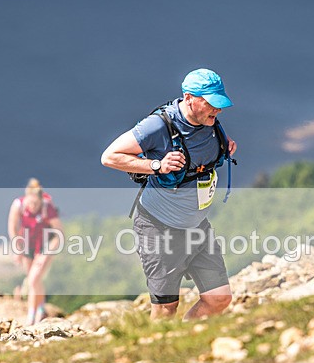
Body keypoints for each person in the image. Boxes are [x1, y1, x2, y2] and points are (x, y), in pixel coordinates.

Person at [101, 68, 238, 320]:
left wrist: (224, 146)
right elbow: (109, 156)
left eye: (220, 104)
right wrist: (156, 166)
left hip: (197, 227)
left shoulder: (209, 121)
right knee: (166, 309)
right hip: (158, 227)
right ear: (189, 98)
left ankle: (183, 340)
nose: (217, 110)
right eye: (211, 104)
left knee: (219, 298)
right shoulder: (158, 126)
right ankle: (155, 355)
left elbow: (204, 147)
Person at [7, 178, 63, 324]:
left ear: (40, 200)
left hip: (45, 244)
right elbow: (12, 228)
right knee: (35, 281)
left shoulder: (47, 207)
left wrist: (48, 252)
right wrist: (17, 248)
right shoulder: (18, 205)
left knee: (33, 279)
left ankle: (31, 316)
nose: (32, 207)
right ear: (25, 198)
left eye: (35, 204)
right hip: (27, 244)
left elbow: (59, 233)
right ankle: (40, 309)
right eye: (30, 203)